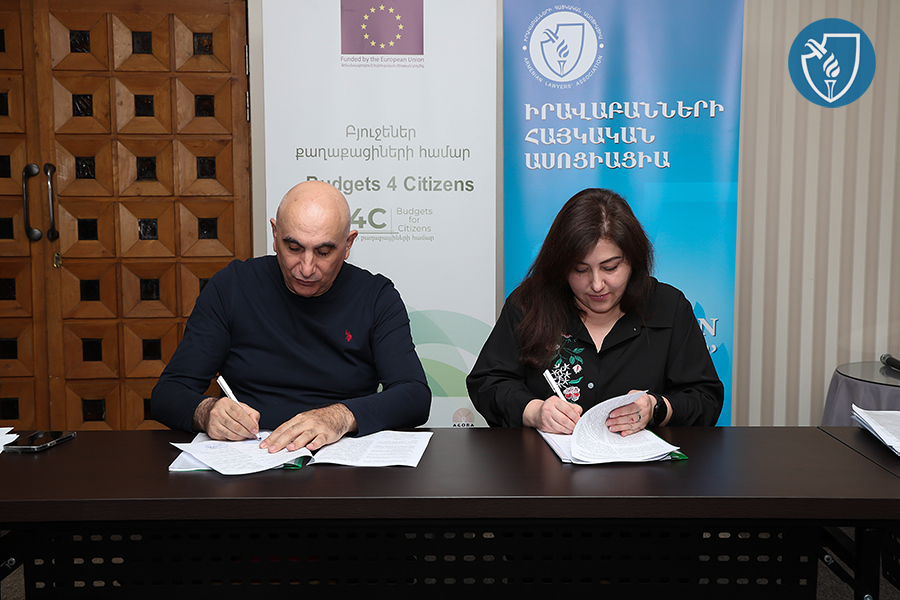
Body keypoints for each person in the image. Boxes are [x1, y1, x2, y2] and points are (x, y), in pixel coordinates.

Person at [151, 181, 431, 452]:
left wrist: (341, 417)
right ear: (275, 235)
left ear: (348, 244)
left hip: (339, 458)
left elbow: (414, 396)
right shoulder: (232, 287)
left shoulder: (376, 297)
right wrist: (206, 411)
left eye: (323, 252)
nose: (306, 268)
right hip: (251, 455)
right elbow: (168, 393)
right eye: (294, 249)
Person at [467, 188, 722, 435]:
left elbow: (705, 398)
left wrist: (656, 408)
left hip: (639, 464)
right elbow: (487, 383)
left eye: (610, 268)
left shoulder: (668, 307)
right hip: (542, 462)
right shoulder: (530, 304)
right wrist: (534, 411)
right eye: (580, 270)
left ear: (633, 261)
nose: (597, 284)